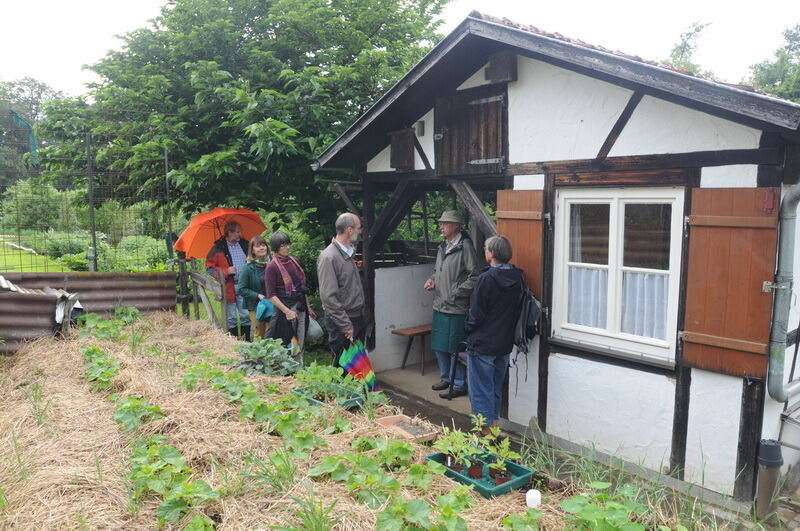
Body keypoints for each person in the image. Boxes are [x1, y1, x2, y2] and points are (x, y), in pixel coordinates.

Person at [464, 235, 524, 434]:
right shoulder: (517, 277)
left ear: (492, 253)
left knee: (481, 390)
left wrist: (468, 328)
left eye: (486, 248)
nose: (484, 251)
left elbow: (476, 314)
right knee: (495, 388)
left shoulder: (486, 278)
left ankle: (484, 435)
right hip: (504, 342)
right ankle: (494, 428)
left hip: (483, 343)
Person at [424, 210, 478, 399]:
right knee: (439, 345)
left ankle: (459, 383)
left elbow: (475, 276)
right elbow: (438, 271)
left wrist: (455, 293)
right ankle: (446, 378)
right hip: (439, 305)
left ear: (455, 226)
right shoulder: (443, 247)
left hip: (456, 307)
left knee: (455, 347)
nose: (441, 227)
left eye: (445, 224)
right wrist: (432, 279)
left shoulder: (465, 247)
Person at [317, 213, 366, 368]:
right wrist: (346, 326)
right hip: (342, 323)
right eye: (359, 228)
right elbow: (328, 298)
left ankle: (356, 392)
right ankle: (343, 393)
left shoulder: (348, 252)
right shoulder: (329, 257)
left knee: (357, 367)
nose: (361, 231)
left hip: (356, 318)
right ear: (349, 230)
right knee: (343, 369)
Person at [264, 230, 318, 364]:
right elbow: (271, 295)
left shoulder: (294, 261)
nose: (287, 247)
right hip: (285, 310)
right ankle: (288, 371)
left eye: (288, 244)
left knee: (300, 339)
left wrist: (308, 306)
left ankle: (299, 367)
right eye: (283, 245)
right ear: (276, 248)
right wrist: (287, 311)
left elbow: (301, 287)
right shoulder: (272, 267)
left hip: (300, 306)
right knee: (286, 342)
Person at [206, 220, 250, 340]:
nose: (239, 234)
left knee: (246, 315)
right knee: (231, 317)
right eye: (237, 232)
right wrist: (226, 271)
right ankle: (233, 343)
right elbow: (209, 268)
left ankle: (248, 342)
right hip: (228, 287)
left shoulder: (245, 245)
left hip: (244, 285)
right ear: (229, 232)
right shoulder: (218, 248)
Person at [237, 235, 270, 340]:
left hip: (272, 303)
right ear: (252, 250)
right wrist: (258, 295)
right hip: (256, 306)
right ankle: (258, 354)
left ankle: (272, 354)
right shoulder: (247, 268)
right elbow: (241, 289)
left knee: (271, 331)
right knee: (259, 332)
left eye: (263, 245)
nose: (261, 248)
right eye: (257, 246)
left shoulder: (270, 264)